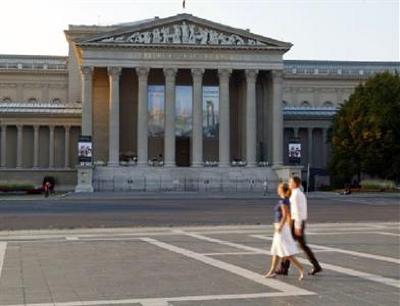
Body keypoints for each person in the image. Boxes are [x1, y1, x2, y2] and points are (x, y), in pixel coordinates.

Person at [277, 176, 322, 276]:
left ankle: (284, 268)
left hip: (296, 222)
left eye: (290, 182)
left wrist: (297, 226)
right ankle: (316, 266)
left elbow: (297, 211)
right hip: (299, 222)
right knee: (302, 246)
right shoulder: (299, 193)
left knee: (288, 244)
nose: (289, 183)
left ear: (295, 183)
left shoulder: (296, 194)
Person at [264, 183, 304, 280]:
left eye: (278, 188)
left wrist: (281, 227)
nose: (277, 189)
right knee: (276, 251)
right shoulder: (285, 200)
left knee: (286, 253)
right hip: (281, 227)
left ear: (282, 190)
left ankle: (301, 269)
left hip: (281, 228)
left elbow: (286, 215)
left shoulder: (283, 201)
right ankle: (272, 271)